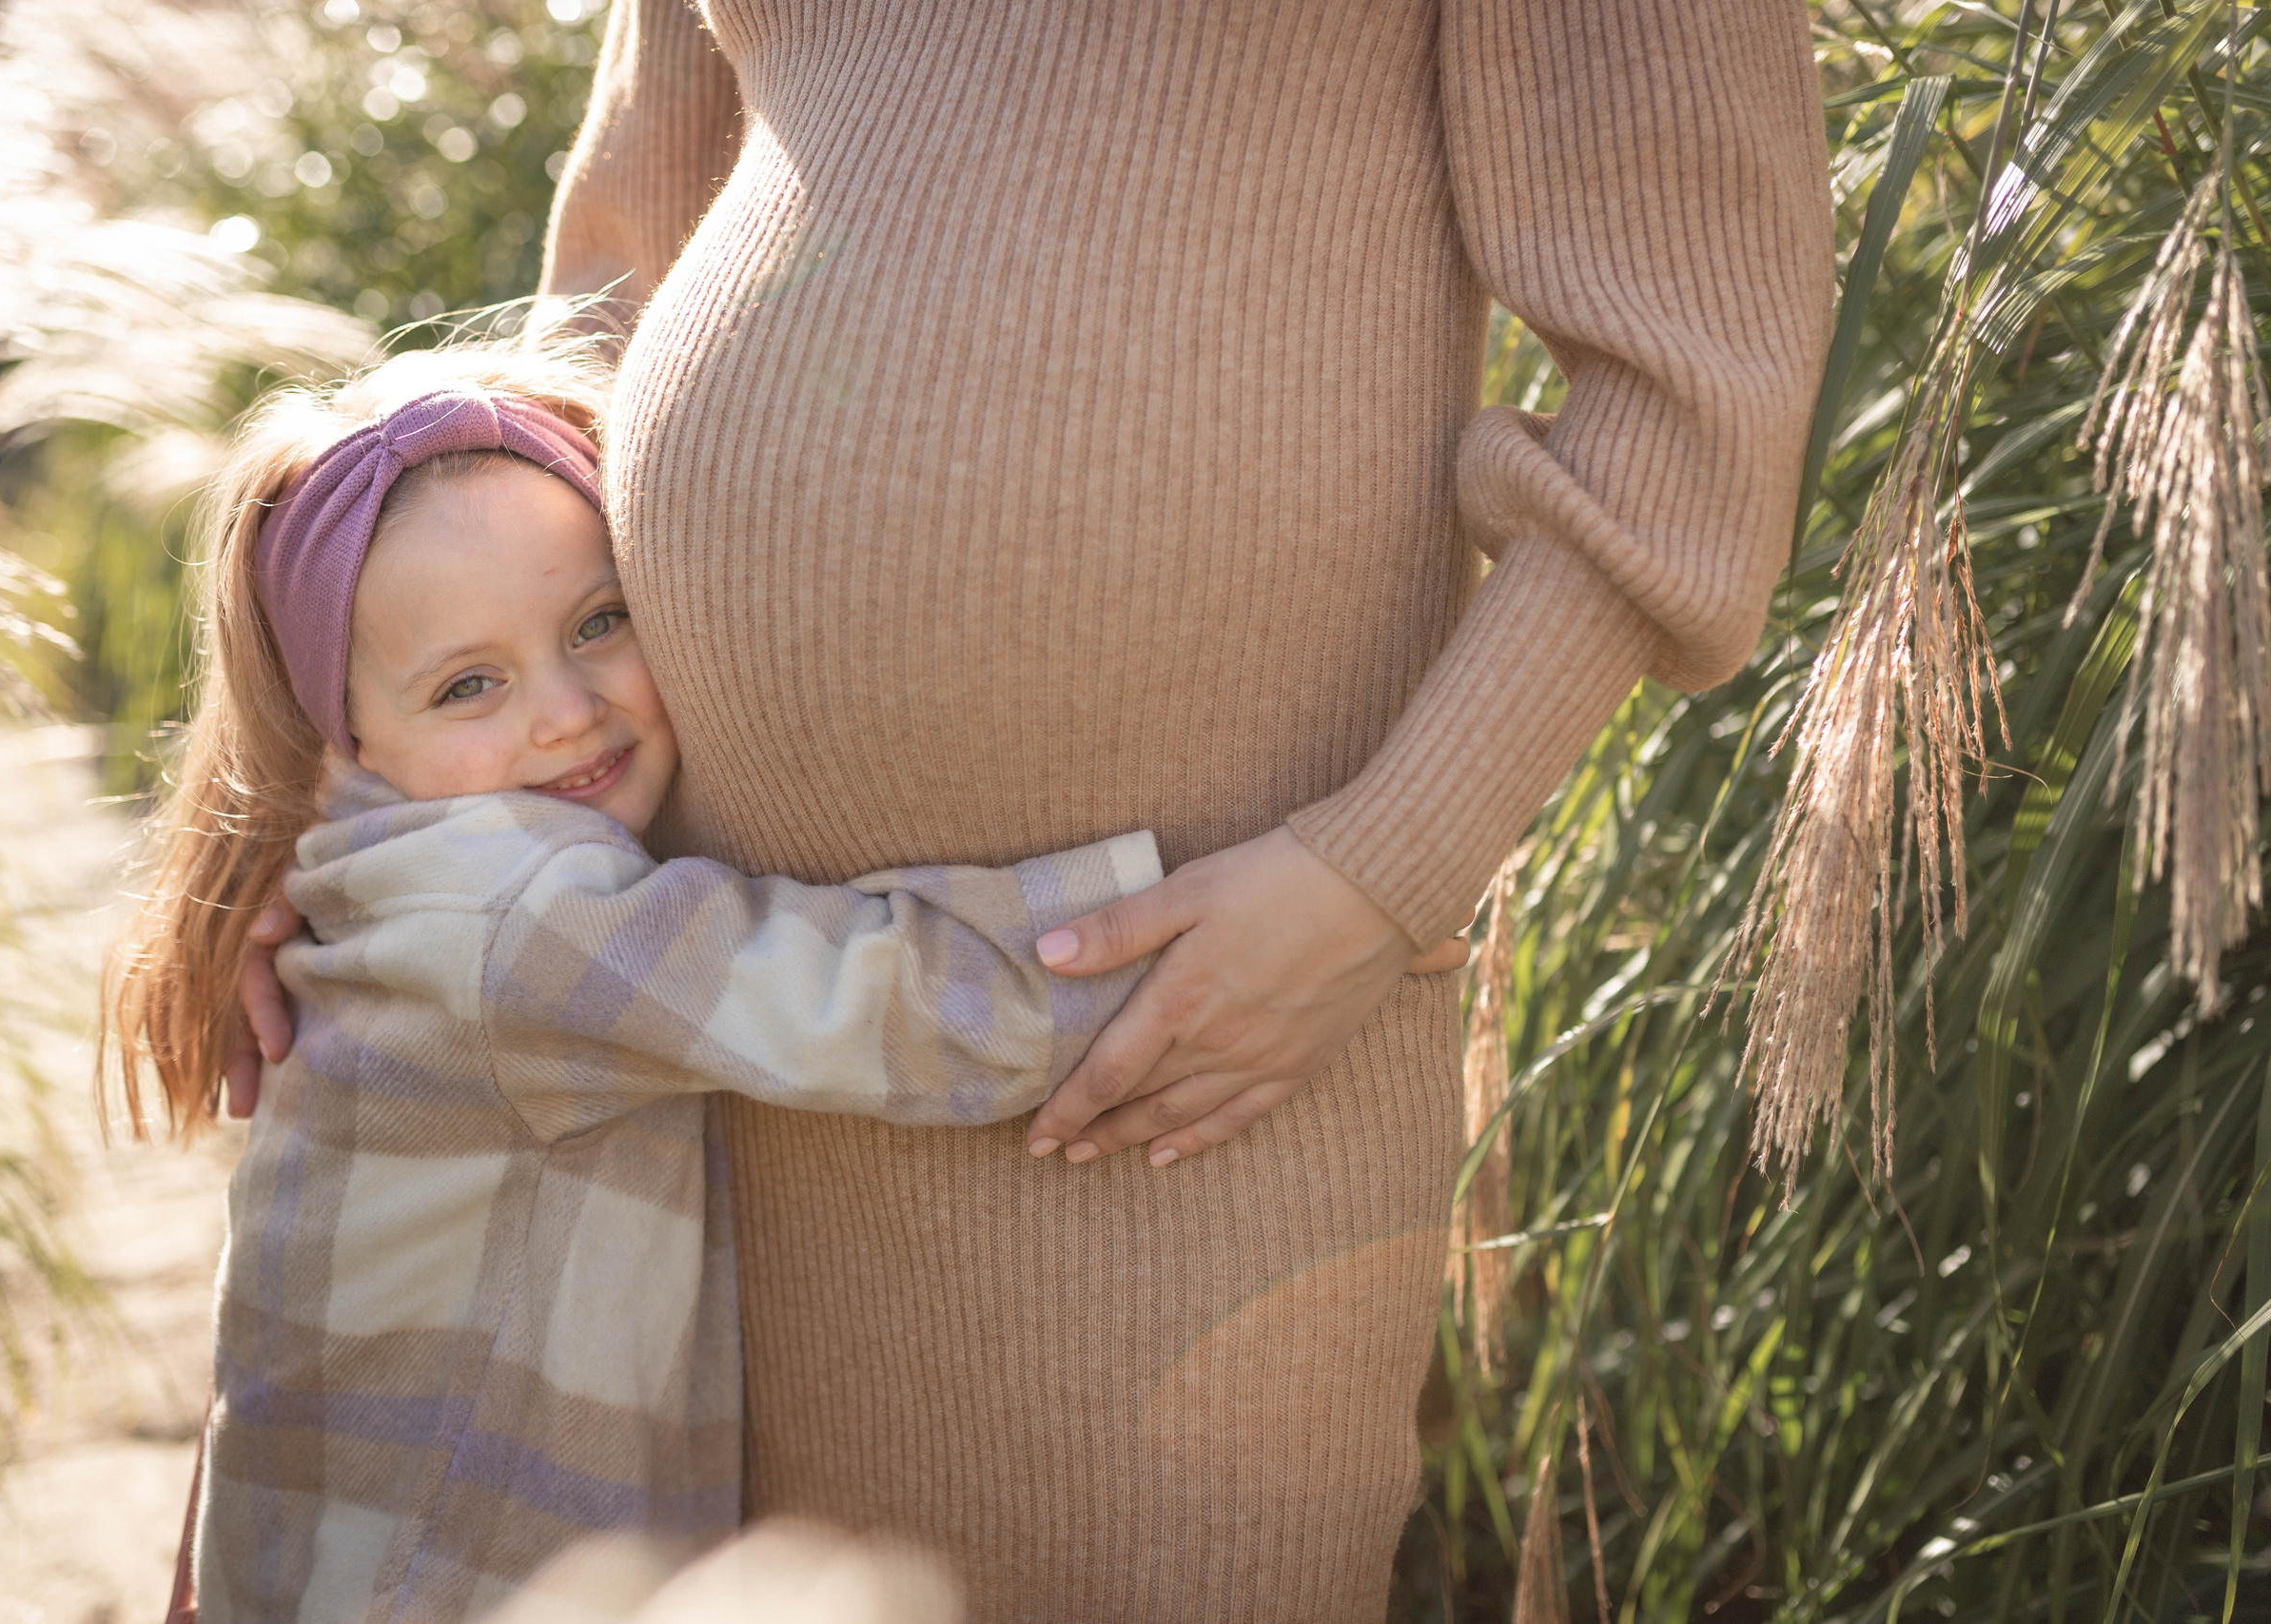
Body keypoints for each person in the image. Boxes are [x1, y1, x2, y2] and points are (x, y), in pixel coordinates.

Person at [242, 3, 1834, 1615]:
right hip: (743, 1070)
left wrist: (1378, 871)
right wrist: (386, 836)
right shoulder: (518, 920)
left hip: (1196, 1046)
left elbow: (1690, 375)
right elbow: (616, 279)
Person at [102, 339, 1201, 1621]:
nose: (567, 709)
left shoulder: (385, 867)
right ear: (351, 743)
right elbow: (859, 1001)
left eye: (600, 622)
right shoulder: (515, 915)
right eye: (470, 685)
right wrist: (1181, 929)